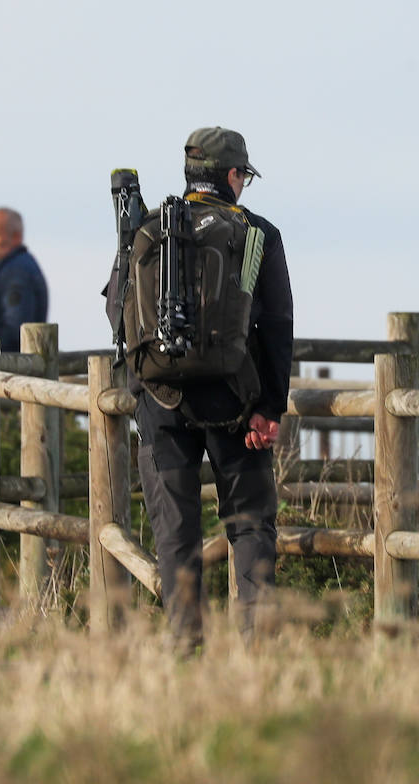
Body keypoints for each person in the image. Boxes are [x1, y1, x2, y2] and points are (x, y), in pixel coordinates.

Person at [120, 127, 294, 649]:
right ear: (233, 175)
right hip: (234, 404)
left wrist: (140, 390)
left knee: (176, 534)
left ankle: (185, 650)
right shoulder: (256, 233)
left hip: (160, 404)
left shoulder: (148, 228)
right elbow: (277, 325)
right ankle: (257, 647)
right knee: (249, 525)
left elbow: (118, 311)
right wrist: (270, 407)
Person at [0, 207, 48, 352]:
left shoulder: (17, 272)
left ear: (16, 237)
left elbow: (16, 331)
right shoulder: (15, 268)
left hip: (5, 369)